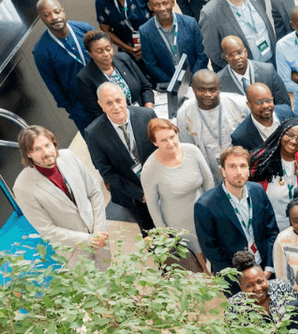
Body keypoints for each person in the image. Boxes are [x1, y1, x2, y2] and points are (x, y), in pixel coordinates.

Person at [13, 125, 108, 267]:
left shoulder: (68, 156)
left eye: (47, 145)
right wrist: (89, 239)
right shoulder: (22, 187)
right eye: (37, 149)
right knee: (91, 286)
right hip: (74, 250)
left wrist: (99, 230)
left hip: (100, 236)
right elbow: (47, 229)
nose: (46, 152)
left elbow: (94, 191)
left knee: (109, 275)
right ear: (28, 153)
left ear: (53, 143)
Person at [194, 145, 280, 288]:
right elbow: (210, 249)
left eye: (242, 166)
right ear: (223, 171)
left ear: (248, 170)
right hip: (234, 278)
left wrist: (269, 267)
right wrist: (237, 280)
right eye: (232, 166)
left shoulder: (257, 190)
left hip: (266, 268)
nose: (238, 172)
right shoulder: (205, 205)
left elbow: (271, 231)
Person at [141, 118, 214, 270]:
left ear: (177, 133)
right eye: (163, 140)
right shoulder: (150, 169)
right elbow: (153, 205)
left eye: (172, 137)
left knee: (210, 240)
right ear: (155, 143)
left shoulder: (192, 151)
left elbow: (208, 180)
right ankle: (205, 273)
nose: (171, 143)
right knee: (195, 250)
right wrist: (163, 231)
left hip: (201, 208)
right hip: (178, 219)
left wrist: (212, 206)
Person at [82, 83, 155, 232]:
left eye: (118, 100)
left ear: (124, 98)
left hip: (158, 183)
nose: (116, 107)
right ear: (101, 105)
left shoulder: (147, 115)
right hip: (132, 194)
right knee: (149, 231)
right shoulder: (93, 133)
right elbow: (107, 172)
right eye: (109, 103)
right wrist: (140, 194)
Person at [32, 0, 96, 133]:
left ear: (63, 11)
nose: (54, 17)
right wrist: (72, 108)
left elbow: (105, 55)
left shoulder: (85, 29)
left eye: (56, 12)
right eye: (47, 15)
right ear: (41, 18)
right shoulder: (41, 51)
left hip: (105, 91)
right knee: (97, 144)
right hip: (80, 105)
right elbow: (52, 84)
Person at [199, 0, 277, 71]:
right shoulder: (210, 13)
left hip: (273, 61)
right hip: (247, 71)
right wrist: (238, 68)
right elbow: (213, 52)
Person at [251, 117, 298, 229]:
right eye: (290, 135)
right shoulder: (262, 160)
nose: (293, 141)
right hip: (269, 224)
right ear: (281, 133)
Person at [76, 31, 155, 121]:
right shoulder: (84, 78)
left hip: (143, 110)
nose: (106, 54)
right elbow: (95, 113)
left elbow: (146, 88)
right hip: (116, 122)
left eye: (108, 49)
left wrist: (148, 111)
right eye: (99, 51)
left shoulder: (124, 58)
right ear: (90, 53)